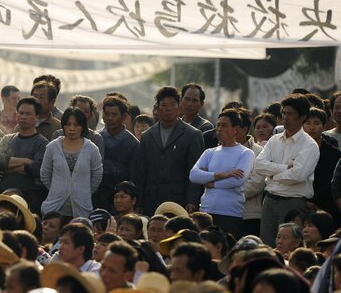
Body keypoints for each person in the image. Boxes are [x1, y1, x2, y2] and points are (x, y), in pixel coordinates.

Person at [254, 94, 319, 246]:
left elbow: (298, 175)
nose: (285, 117)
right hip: (269, 200)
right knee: (266, 248)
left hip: (293, 204)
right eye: (283, 113)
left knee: (289, 248)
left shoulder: (309, 145)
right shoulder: (274, 140)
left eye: (290, 114)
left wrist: (271, 176)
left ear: (302, 117)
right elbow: (258, 165)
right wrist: (283, 169)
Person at [136, 86, 206, 216]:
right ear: (157, 108)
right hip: (151, 200)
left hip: (179, 200)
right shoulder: (147, 136)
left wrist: (192, 200)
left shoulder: (192, 135)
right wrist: (139, 202)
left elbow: (195, 170)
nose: (168, 109)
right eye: (163, 105)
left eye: (172, 104)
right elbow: (141, 172)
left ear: (179, 107)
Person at [189, 109, 256, 239]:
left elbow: (237, 181)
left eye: (224, 125)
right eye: (218, 125)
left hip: (230, 213)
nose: (219, 129)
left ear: (235, 129)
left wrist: (211, 183)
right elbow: (193, 175)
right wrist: (221, 175)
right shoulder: (210, 152)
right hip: (206, 211)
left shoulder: (246, 153)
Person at [40, 107, 103, 219]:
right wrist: (58, 189)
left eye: (76, 125)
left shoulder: (92, 149)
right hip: (54, 208)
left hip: (82, 209)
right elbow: (45, 174)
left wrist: (83, 191)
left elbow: (97, 176)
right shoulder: (53, 147)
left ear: (83, 127)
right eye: (68, 124)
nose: (71, 129)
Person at [0, 97, 49, 212]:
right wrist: (27, 161)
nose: (23, 116)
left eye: (28, 114)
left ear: (37, 116)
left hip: (31, 197)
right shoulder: (7, 139)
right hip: (5, 196)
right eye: (21, 113)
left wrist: (9, 167)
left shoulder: (42, 143)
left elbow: (37, 169)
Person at [95, 96, 138, 215]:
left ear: (124, 117)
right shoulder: (96, 139)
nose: (110, 118)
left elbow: (134, 176)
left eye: (114, 114)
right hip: (97, 198)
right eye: (107, 114)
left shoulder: (133, 144)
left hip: (121, 202)